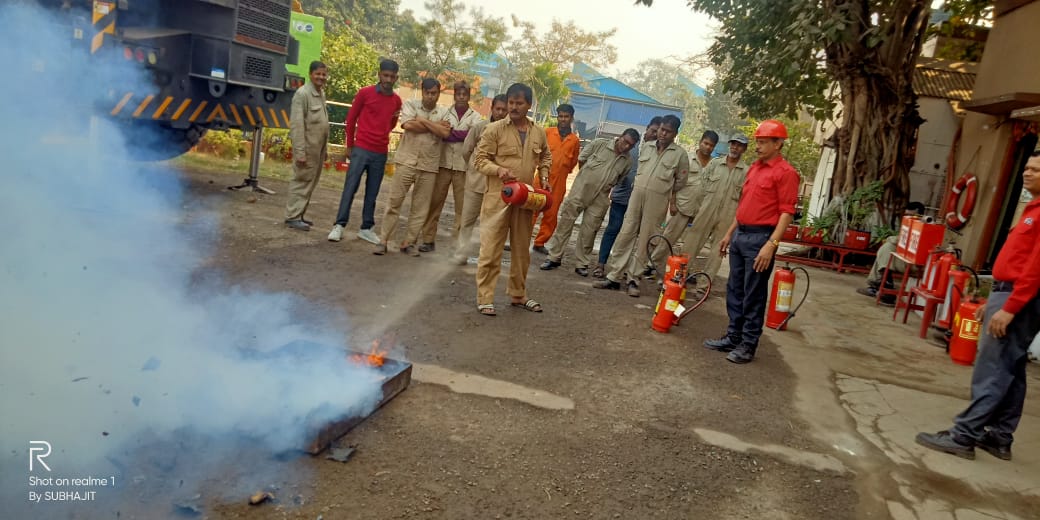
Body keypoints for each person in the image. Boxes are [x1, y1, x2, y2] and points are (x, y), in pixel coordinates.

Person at [915, 152, 1040, 461]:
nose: (1028, 173)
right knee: (1012, 368)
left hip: (1021, 298)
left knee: (993, 369)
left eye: (1036, 170)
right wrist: (995, 298)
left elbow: (1036, 268)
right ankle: (999, 437)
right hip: (1009, 293)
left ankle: (964, 435)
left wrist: (1010, 307)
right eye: (1027, 167)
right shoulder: (1032, 209)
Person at [704, 119, 800, 364]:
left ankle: (748, 344)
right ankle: (733, 336)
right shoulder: (754, 169)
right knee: (734, 289)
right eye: (757, 141)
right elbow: (744, 205)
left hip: (761, 238)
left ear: (778, 144)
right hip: (740, 234)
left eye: (763, 142)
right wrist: (729, 234)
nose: (758, 146)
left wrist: (771, 244)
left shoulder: (786, 173)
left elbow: (786, 212)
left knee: (753, 293)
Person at [473, 83, 552, 316]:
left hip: (526, 199)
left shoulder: (538, 132)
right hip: (498, 198)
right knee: (490, 249)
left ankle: (518, 294)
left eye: (519, 103)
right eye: (511, 103)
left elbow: (546, 155)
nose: (514, 107)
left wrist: (544, 175)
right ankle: (485, 298)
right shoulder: (495, 129)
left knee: (521, 250)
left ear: (529, 105)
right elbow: (480, 160)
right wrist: (498, 170)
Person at [594, 115, 689, 297]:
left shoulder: (680, 155)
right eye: (661, 129)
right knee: (626, 233)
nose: (662, 133)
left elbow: (681, 180)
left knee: (646, 239)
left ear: (675, 134)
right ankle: (614, 276)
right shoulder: (647, 147)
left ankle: (633, 279)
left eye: (667, 131)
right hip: (636, 197)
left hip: (658, 201)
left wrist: (665, 191)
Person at [539, 129, 639, 276]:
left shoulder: (627, 161)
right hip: (581, 189)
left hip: (601, 197)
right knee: (566, 222)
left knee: (590, 230)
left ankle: (582, 263)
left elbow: (619, 179)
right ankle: (553, 257)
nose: (625, 146)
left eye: (630, 145)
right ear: (620, 137)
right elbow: (582, 159)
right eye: (625, 141)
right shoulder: (600, 144)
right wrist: (587, 177)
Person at [328, 59, 402, 244]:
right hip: (361, 148)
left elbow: (392, 123)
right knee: (350, 187)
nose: (388, 79)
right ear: (379, 75)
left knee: (373, 192)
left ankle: (366, 228)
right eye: (385, 75)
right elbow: (351, 118)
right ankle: (339, 225)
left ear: (396, 78)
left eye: (392, 77)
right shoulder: (365, 93)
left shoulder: (396, 101)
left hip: (380, 151)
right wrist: (349, 145)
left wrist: (382, 135)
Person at [373, 78, 449, 256]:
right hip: (407, 160)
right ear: (422, 92)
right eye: (427, 93)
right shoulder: (410, 104)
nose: (430, 97)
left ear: (439, 94)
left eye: (434, 93)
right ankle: (383, 240)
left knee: (420, 207)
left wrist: (422, 121)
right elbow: (407, 125)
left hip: (429, 165)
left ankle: (409, 242)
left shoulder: (444, 112)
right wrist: (434, 126)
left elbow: (444, 132)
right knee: (394, 201)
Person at [594, 117, 662, 278]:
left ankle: (623, 269)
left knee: (633, 236)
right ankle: (601, 264)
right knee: (613, 229)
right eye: (653, 130)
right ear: (647, 128)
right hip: (621, 198)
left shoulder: (658, 152)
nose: (655, 135)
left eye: (658, 132)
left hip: (642, 203)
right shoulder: (631, 145)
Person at [420, 80, 483, 252]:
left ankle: (457, 247)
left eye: (465, 94)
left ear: (469, 96)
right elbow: (440, 132)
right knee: (435, 203)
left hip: (463, 168)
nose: (461, 97)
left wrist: (450, 132)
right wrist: (459, 134)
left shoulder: (476, 117)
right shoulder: (444, 113)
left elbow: (473, 136)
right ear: (454, 95)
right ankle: (428, 239)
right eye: (458, 94)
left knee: (462, 209)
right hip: (443, 164)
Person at [680, 134, 750, 280]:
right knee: (691, 243)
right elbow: (702, 187)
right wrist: (699, 209)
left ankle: (703, 287)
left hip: (728, 215)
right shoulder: (715, 164)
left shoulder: (747, 172)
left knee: (718, 250)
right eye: (733, 144)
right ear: (729, 145)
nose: (735, 147)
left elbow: (745, 198)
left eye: (739, 145)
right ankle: (680, 277)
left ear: (744, 149)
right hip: (706, 210)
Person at [648, 130, 719, 273]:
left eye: (711, 145)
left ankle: (679, 271)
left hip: (700, 212)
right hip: (681, 206)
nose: (708, 147)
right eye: (706, 143)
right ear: (700, 142)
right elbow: (674, 181)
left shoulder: (715, 165)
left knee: (691, 245)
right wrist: (672, 203)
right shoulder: (686, 158)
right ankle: (652, 265)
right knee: (668, 238)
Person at [452, 94, 507, 266]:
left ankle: (486, 257)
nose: (500, 112)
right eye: (498, 108)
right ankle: (461, 253)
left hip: (496, 186)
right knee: (467, 220)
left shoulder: (509, 132)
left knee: (491, 224)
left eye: (504, 110)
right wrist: (475, 170)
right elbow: (466, 151)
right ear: (492, 108)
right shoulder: (479, 127)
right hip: (475, 183)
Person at [284, 61, 330, 231]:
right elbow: (297, 125)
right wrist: (300, 152)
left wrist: (324, 151)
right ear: (311, 74)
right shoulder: (302, 94)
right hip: (307, 149)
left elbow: (322, 123)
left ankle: (299, 213)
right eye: (318, 74)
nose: (321, 77)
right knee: (301, 181)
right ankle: (292, 217)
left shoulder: (320, 93)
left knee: (310, 182)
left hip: (317, 149)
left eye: (324, 74)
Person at [531, 104, 580, 255]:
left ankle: (540, 243)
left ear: (571, 118)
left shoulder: (574, 141)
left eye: (566, 117)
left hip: (559, 184)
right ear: (557, 117)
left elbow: (573, 163)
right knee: (530, 211)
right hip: (540, 179)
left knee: (551, 215)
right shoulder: (547, 133)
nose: (563, 119)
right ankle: (519, 240)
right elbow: (536, 154)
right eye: (560, 116)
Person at [855, 201, 927, 304]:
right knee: (886, 249)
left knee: (887, 248)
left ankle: (884, 286)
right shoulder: (909, 224)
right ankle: (883, 284)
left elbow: (902, 240)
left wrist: (890, 239)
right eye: (906, 215)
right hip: (905, 259)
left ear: (920, 215)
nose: (908, 217)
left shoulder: (924, 227)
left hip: (916, 265)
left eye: (911, 215)